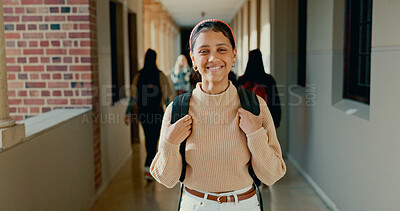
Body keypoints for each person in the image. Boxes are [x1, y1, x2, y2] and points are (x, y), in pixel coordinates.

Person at [150, 19, 286, 211]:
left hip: (244, 205)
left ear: (233, 55)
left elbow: (272, 175)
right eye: (204, 51)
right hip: (195, 205)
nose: (213, 58)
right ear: (193, 59)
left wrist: (255, 133)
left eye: (221, 49)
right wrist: (170, 143)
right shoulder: (178, 109)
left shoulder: (255, 106)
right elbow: (166, 178)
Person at [124, 49, 174, 181]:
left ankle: (148, 166)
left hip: (143, 113)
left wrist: (127, 112)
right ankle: (149, 165)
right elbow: (166, 97)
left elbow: (133, 97)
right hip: (157, 112)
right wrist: (171, 113)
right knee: (155, 138)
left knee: (147, 137)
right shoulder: (160, 75)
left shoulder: (138, 75)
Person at [238, 49, 282, 128]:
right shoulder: (268, 79)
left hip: (244, 120)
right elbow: (275, 101)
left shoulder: (242, 80)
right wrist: (276, 122)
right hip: (265, 120)